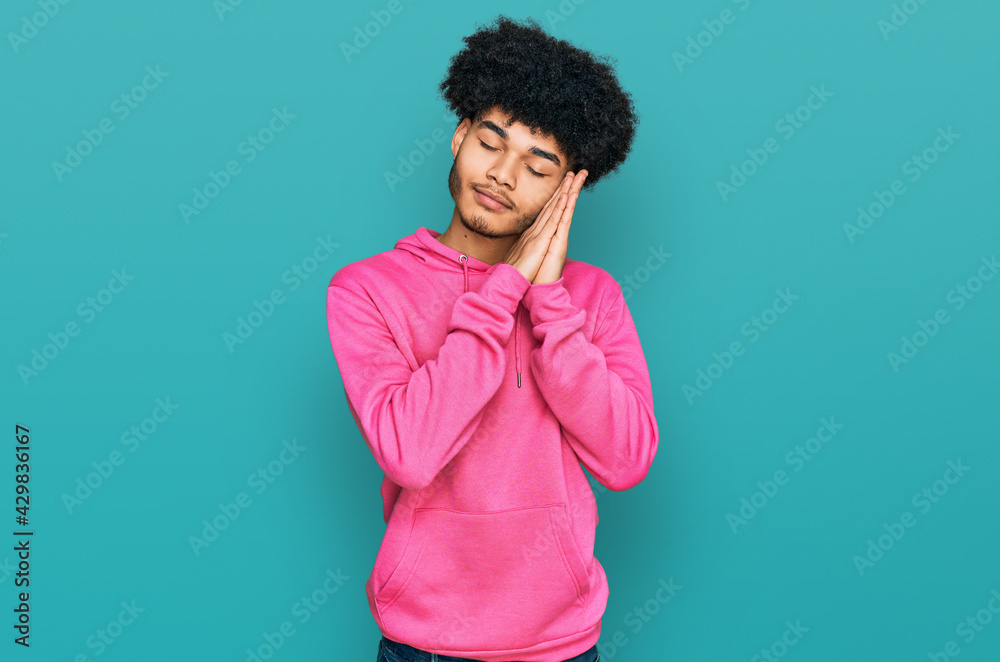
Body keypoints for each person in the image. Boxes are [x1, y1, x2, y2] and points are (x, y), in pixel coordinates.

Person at [326, 14, 658, 662]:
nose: (502, 174)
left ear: (569, 187)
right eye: (491, 142)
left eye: (538, 166)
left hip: (562, 644)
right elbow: (412, 454)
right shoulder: (366, 291)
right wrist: (505, 289)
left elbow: (627, 460)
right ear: (458, 137)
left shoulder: (592, 299)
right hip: (424, 645)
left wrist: (551, 304)